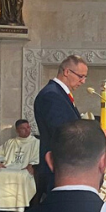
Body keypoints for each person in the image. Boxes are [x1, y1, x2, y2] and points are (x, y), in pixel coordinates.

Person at [32, 55, 87, 198]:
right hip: (58, 168)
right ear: (67, 72)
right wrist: (95, 134)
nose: (83, 81)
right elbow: (63, 131)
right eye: (81, 76)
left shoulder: (59, 93)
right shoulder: (51, 95)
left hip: (66, 166)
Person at [0, 119, 40, 212]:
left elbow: (38, 157)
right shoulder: (10, 142)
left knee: (22, 175)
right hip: (9, 166)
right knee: (0, 173)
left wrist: (33, 164)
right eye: (23, 128)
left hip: (25, 168)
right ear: (17, 130)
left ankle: (19, 207)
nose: (27, 130)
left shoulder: (36, 143)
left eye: (28, 127)